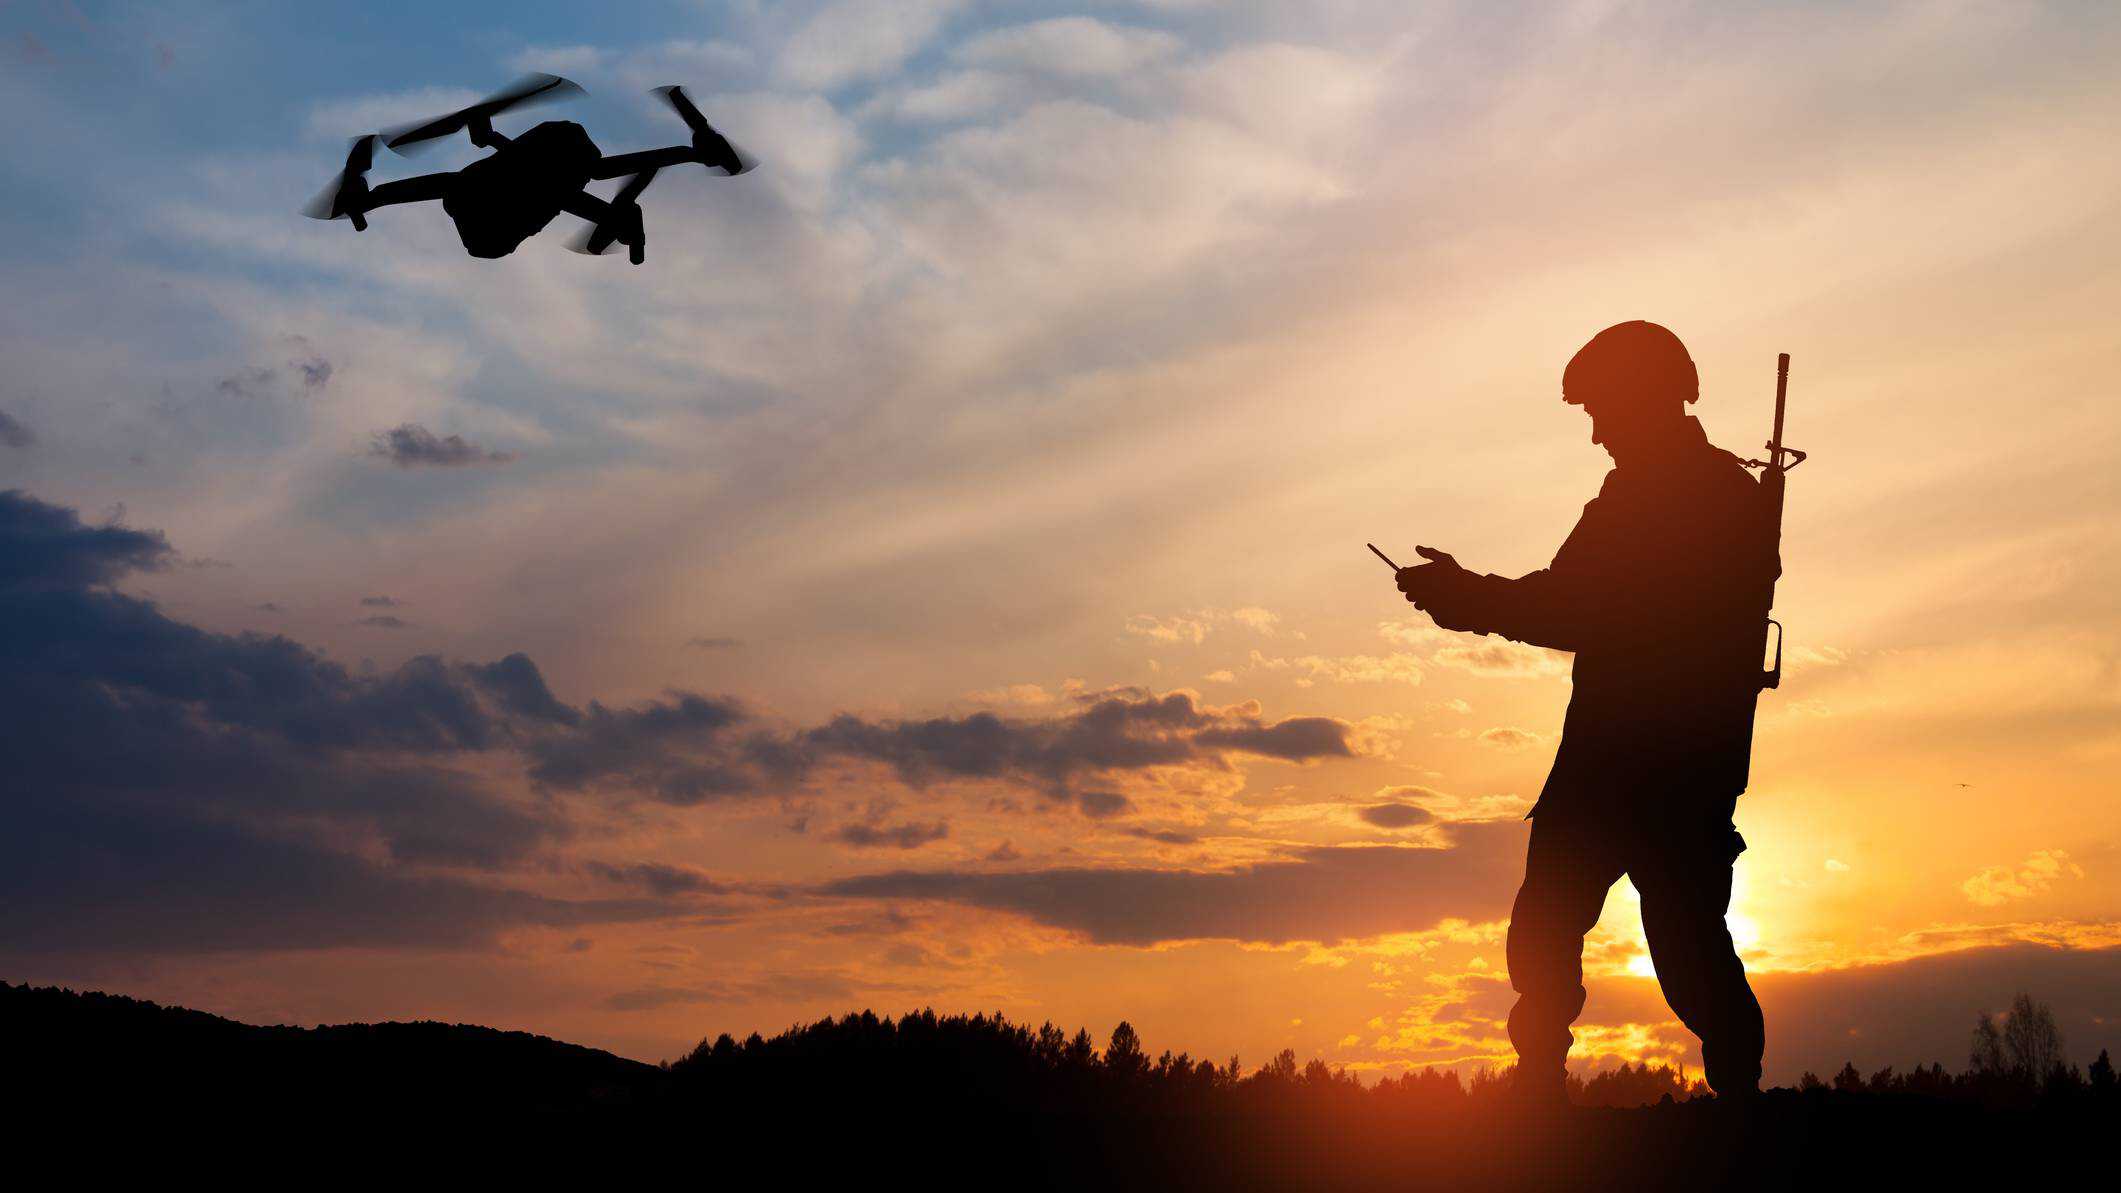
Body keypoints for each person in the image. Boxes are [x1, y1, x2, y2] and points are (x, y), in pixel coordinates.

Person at [1396, 321, 1774, 1104]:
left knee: (1685, 954)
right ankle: (1541, 1090)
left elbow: (1579, 606)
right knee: (1550, 931)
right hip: (1617, 766)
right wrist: (1469, 596)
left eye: (1602, 409)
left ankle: (1738, 1107)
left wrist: (1467, 596)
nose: (1596, 433)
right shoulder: (1652, 493)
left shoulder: (1695, 496)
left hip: (1661, 770)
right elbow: (1574, 599)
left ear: (1644, 400)